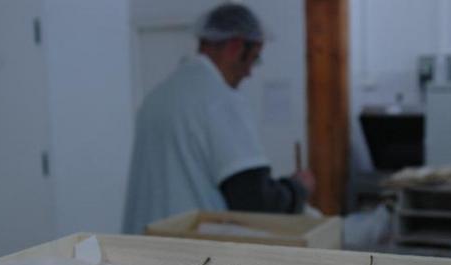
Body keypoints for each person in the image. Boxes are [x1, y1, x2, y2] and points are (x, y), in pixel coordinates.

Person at [123, 3, 315, 234]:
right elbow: (254, 200)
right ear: (235, 46)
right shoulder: (220, 99)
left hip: (140, 245)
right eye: (253, 59)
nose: (249, 72)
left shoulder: (157, 97)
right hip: (189, 253)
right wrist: (298, 188)